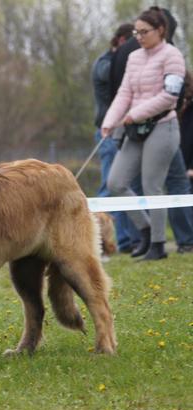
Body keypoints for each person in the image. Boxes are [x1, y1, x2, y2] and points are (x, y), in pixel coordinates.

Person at [102, 6, 186, 261]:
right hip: (135, 128)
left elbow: (169, 96)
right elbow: (124, 93)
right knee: (116, 182)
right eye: (136, 32)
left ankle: (158, 245)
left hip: (163, 126)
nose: (139, 37)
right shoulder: (134, 57)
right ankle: (147, 229)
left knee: (152, 185)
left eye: (144, 32)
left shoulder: (173, 56)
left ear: (160, 30)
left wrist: (135, 114)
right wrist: (110, 121)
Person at [92, 23, 135, 254]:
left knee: (123, 186)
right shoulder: (105, 63)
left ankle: (125, 240)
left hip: (123, 131)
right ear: (120, 40)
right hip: (107, 132)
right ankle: (98, 242)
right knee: (108, 187)